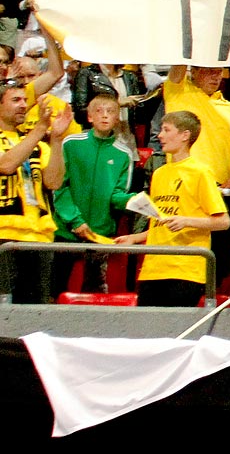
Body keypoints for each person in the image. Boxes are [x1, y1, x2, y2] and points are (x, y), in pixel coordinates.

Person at [117, 111, 230, 307]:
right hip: (153, 268)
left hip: (185, 270)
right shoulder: (159, 173)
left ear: (185, 135)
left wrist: (186, 221)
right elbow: (162, 223)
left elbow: (223, 221)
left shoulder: (200, 172)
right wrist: (135, 238)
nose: (159, 135)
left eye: (166, 130)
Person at [52, 94, 137, 292]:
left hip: (99, 233)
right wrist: (75, 221)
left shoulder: (123, 154)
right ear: (89, 117)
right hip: (66, 229)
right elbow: (59, 186)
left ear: (118, 118)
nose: (105, 116)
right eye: (99, 111)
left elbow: (117, 194)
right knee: (56, 286)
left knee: (95, 288)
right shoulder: (71, 143)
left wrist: (134, 200)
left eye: (111, 112)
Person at [0, 86, 73, 303]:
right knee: (5, 311)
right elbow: (7, 165)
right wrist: (41, 128)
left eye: (25, 100)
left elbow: (54, 181)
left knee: (34, 309)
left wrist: (57, 140)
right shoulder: (35, 137)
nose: (24, 105)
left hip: (38, 238)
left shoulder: (37, 144)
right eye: (15, 100)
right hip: (4, 237)